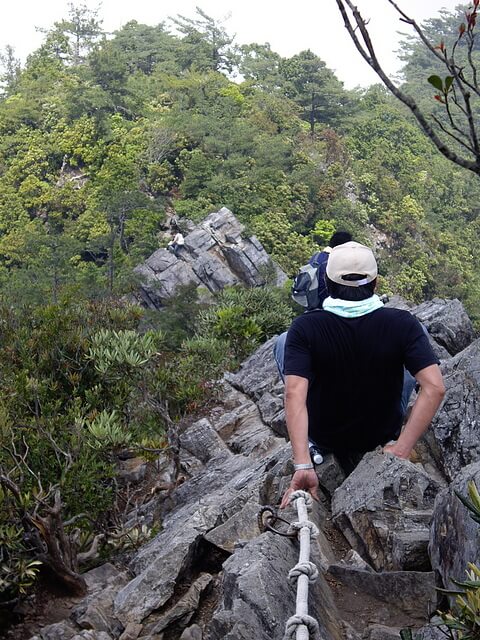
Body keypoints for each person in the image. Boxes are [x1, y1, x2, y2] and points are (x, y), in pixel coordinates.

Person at [280, 241, 445, 508]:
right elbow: (435, 387)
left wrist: (302, 464)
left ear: (327, 282)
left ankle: (311, 445)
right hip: (379, 432)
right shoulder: (403, 323)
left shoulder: (305, 327)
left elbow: (293, 393)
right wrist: (402, 449)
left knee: (282, 344)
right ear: (375, 283)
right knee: (413, 346)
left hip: (325, 434)